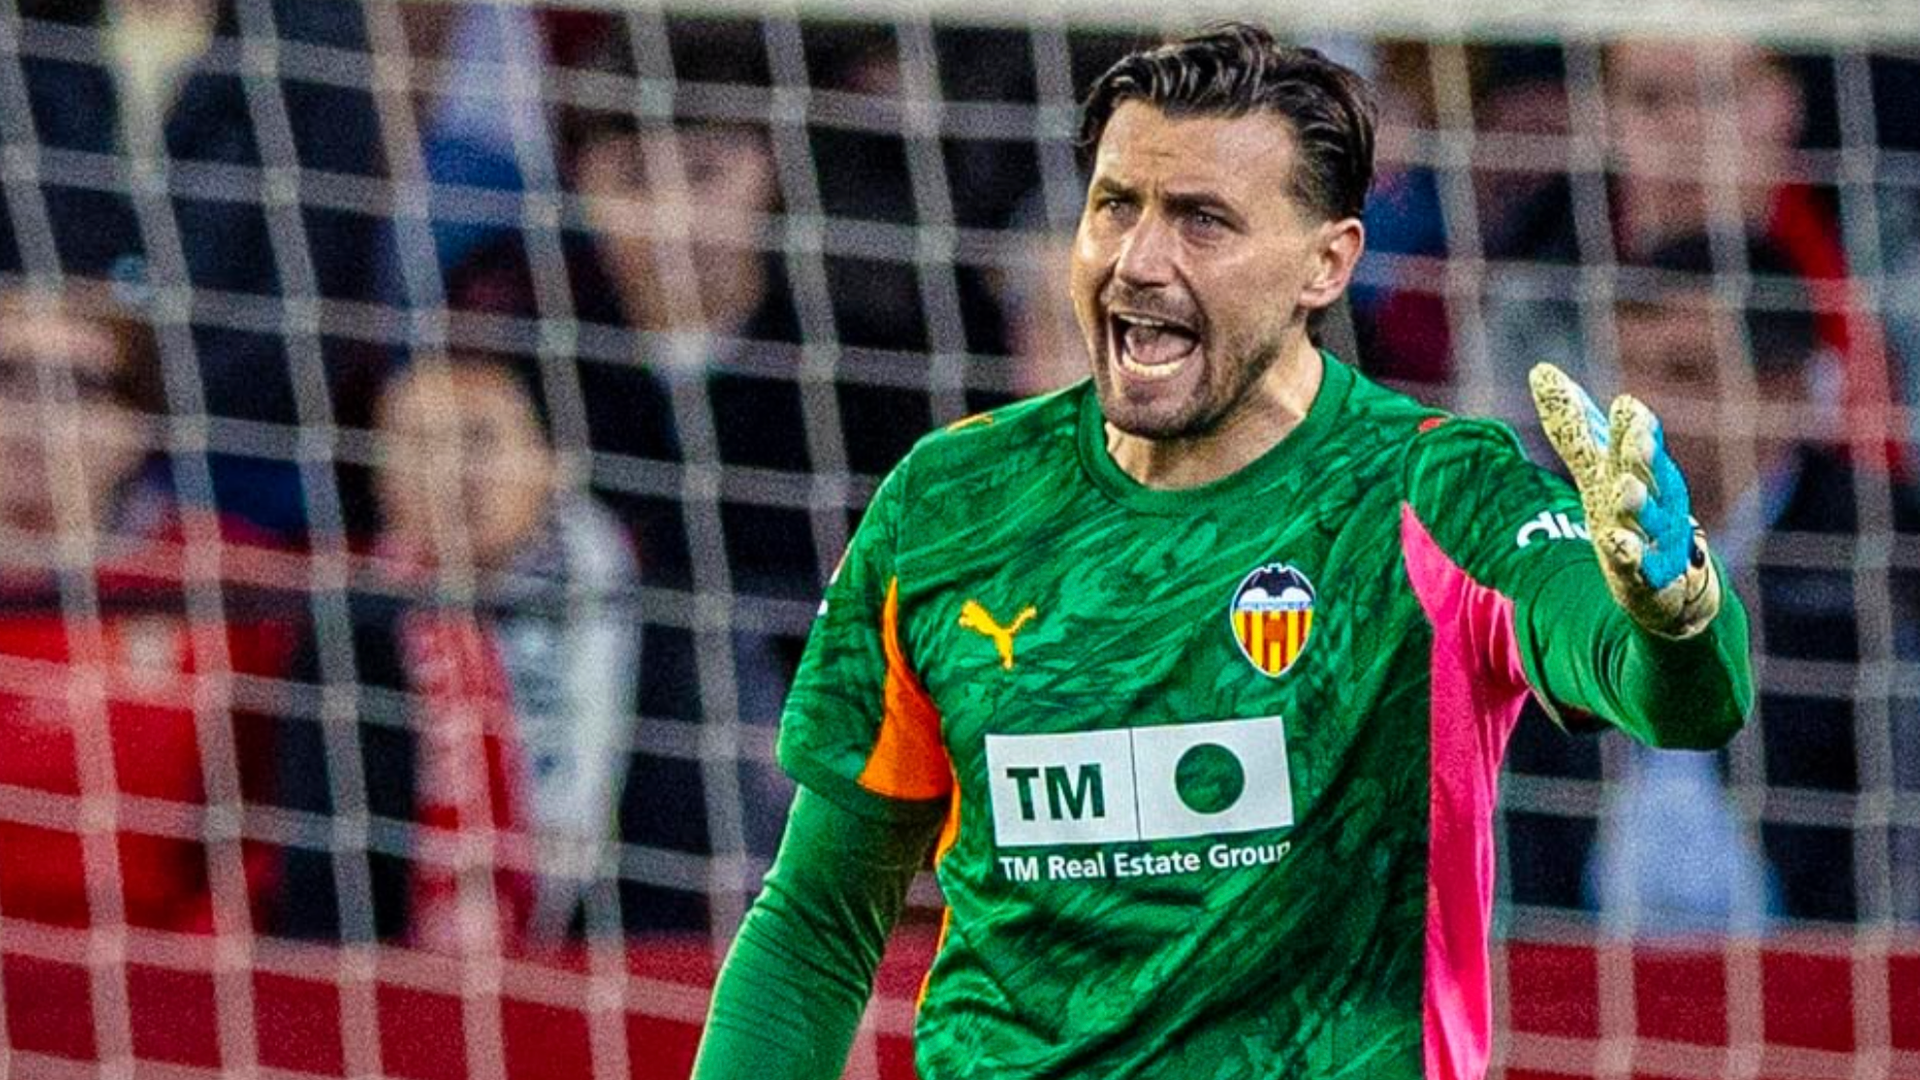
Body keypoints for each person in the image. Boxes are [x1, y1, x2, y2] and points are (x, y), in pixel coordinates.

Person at [692, 24, 1752, 1080]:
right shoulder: (947, 504)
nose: (1138, 262)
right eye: (1116, 206)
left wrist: (1674, 617)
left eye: (1203, 220)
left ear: (1327, 263)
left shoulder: (1433, 490)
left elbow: (1675, 698)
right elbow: (816, 924)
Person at [0, 278, 296, 932]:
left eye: (79, 386)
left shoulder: (224, 579)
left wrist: (191, 967)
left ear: (138, 425)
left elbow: (267, 828)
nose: (34, 414)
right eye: (7, 377)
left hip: (161, 967)